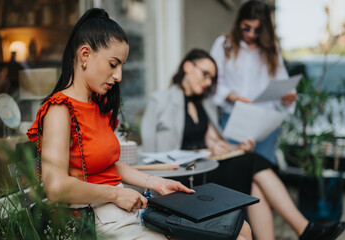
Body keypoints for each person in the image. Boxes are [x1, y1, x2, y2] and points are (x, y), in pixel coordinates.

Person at [26, 8, 252, 240]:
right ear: (85, 55)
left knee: (241, 228)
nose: (119, 76)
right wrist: (114, 195)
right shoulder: (59, 110)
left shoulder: (96, 104)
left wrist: (157, 182)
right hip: (101, 217)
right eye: (113, 64)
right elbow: (55, 187)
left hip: (128, 209)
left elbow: (108, 165)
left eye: (121, 66)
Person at [141, 48, 345, 240]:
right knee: (253, 163)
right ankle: (305, 230)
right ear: (188, 67)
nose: (208, 81)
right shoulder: (160, 100)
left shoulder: (206, 104)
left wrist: (236, 148)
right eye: (205, 74)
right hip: (179, 178)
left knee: (253, 175)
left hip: (205, 170)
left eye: (212, 78)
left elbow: (214, 143)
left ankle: (302, 230)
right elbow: (149, 153)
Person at [210, 0, 296, 164]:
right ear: (238, 21)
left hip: (264, 123)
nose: (250, 34)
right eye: (246, 27)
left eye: (257, 31)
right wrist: (231, 96)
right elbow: (213, 83)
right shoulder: (223, 45)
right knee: (232, 169)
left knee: (261, 171)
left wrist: (288, 97)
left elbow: (281, 82)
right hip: (234, 118)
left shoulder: (272, 50)